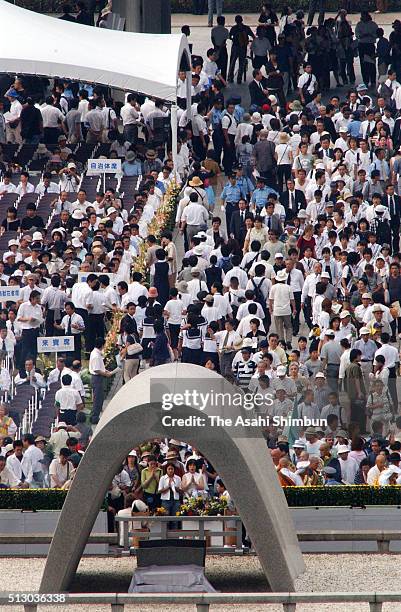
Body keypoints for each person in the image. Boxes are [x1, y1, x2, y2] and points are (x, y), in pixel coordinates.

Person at [89, 337, 117, 424]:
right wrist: (106, 374)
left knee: (99, 397)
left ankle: (95, 416)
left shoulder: (95, 353)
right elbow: (97, 369)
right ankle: (94, 417)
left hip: (97, 377)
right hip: (97, 378)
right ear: (102, 345)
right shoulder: (96, 355)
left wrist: (105, 371)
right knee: (98, 398)